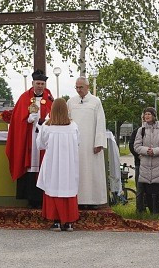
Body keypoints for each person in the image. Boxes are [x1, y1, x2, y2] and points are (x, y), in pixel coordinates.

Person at [5, 70, 54, 206]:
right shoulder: (24, 98)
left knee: (42, 166)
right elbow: (17, 120)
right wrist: (27, 120)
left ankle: (43, 198)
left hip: (43, 138)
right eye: (38, 83)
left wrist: (46, 121)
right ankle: (30, 198)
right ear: (32, 83)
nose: (40, 86)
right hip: (29, 138)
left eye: (42, 84)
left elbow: (54, 115)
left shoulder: (49, 98)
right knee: (31, 166)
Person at [37, 98, 80, 231]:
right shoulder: (73, 126)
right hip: (69, 164)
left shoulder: (47, 126)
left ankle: (56, 221)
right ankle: (68, 223)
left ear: (52, 110)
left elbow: (40, 145)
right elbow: (78, 142)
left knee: (53, 187)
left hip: (53, 163)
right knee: (68, 188)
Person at [67, 77, 108, 207]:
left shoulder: (96, 102)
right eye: (77, 87)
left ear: (87, 87)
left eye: (81, 87)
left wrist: (99, 142)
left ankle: (93, 200)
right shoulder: (71, 101)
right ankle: (77, 200)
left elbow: (100, 122)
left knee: (92, 171)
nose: (79, 90)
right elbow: (67, 121)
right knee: (77, 171)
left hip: (91, 144)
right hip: (75, 144)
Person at [133, 106, 159, 214]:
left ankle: (156, 212)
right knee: (148, 191)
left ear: (154, 116)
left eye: (149, 114)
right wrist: (146, 150)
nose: (147, 116)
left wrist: (154, 151)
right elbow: (136, 146)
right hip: (145, 164)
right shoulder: (141, 130)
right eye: (145, 114)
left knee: (158, 190)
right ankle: (150, 213)